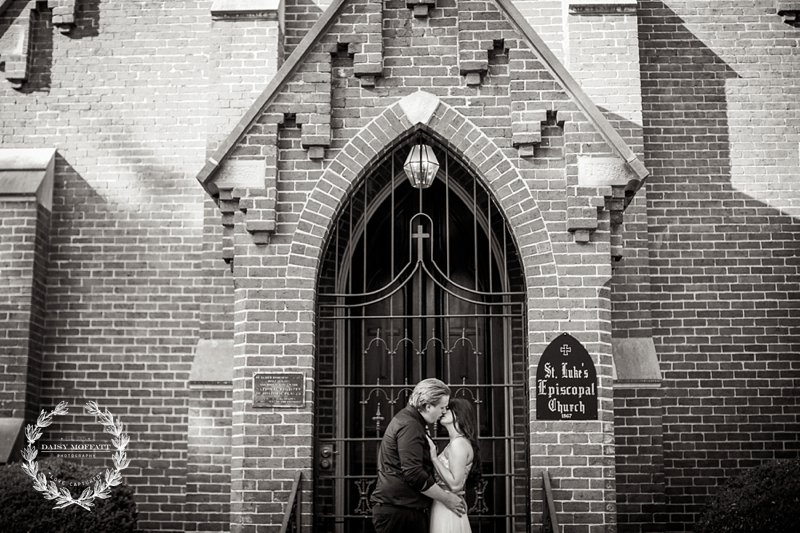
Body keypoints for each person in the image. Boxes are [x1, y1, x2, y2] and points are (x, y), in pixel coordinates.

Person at [371, 378, 467, 533]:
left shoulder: (411, 421)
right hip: (400, 514)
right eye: (442, 407)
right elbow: (413, 474)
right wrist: (447, 499)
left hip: (403, 510)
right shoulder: (410, 426)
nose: (444, 411)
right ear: (428, 406)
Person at [426, 397, 479, 533]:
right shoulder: (455, 442)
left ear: (459, 414)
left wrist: (434, 458)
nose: (443, 411)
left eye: (448, 408)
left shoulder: (458, 444)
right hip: (445, 504)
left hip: (448, 507)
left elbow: (456, 484)